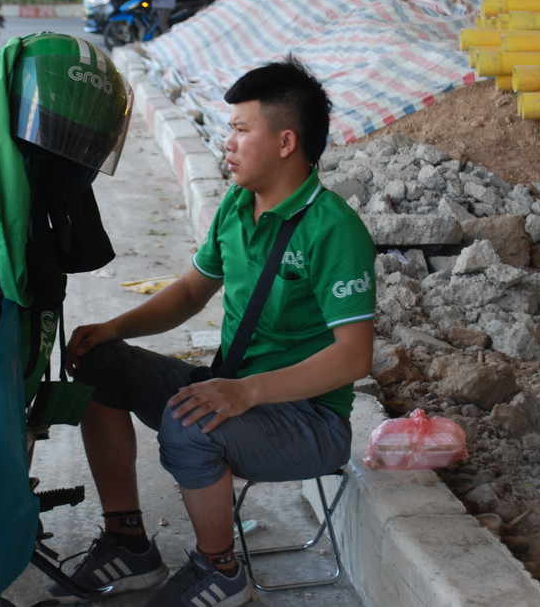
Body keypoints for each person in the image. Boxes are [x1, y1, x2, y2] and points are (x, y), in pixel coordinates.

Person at [49, 57, 376, 607]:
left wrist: (245, 391)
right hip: (236, 390)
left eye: (242, 129)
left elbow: (353, 358)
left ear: (286, 142)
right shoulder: (235, 205)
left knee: (188, 423)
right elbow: (189, 293)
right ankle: (130, 541)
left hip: (308, 420)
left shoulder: (333, 230)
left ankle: (220, 569)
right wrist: (113, 327)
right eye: (230, 128)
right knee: (97, 362)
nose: (229, 141)